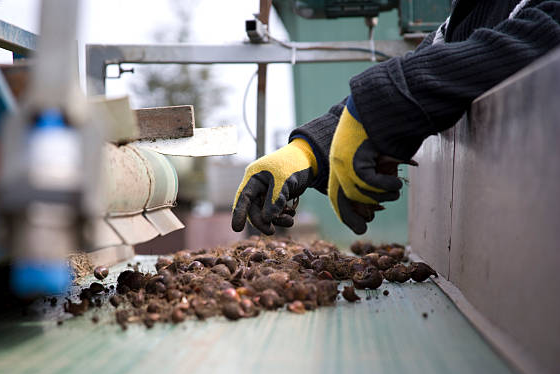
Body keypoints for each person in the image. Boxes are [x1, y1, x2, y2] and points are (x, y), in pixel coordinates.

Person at [232, 0, 560, 235]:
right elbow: (432, 62)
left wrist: (378, 106)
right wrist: (308, 152)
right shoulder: (468, 12)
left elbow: (546, 29)